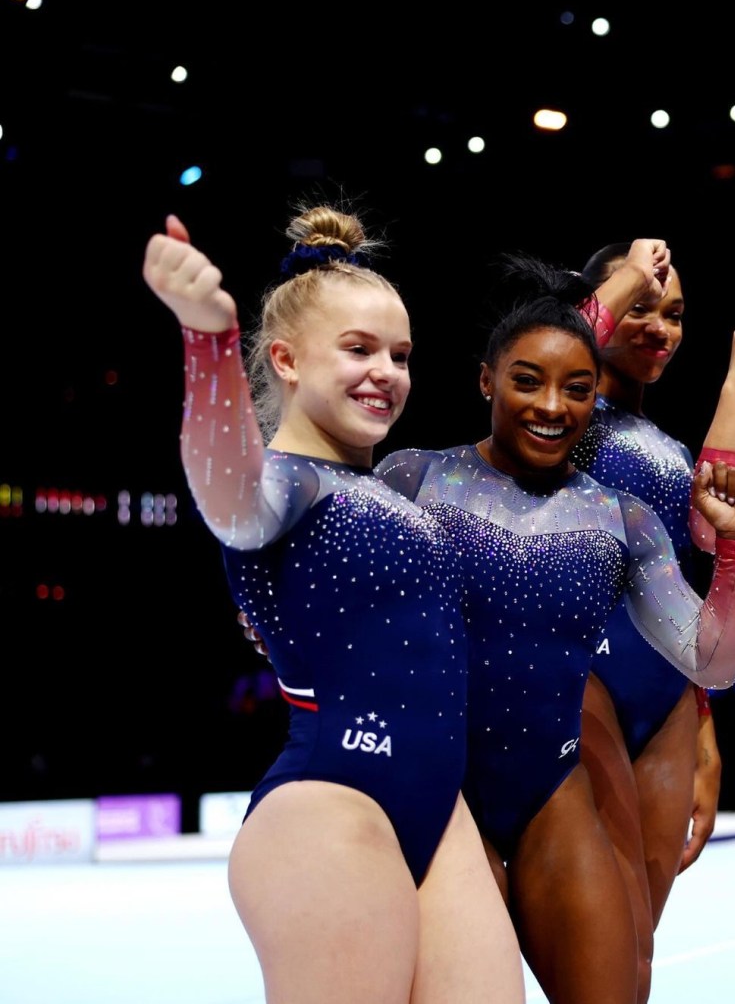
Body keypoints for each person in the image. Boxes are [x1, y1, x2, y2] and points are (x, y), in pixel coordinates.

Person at [141, 205, 526, 1004]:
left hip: (438, 813)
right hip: (329, 808)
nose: (386, 371)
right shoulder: (286, 482)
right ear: (284, 358)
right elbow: (229, 495)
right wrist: (208, 341)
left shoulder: (387, 489)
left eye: (400, 355)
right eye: (358, 349)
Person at [374, 255, 735, 1004]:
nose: (551, 406)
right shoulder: (414, 480)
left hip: (552, 791)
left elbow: (711, 662)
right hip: (442, 793)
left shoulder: (624, 520)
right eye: (527, 381)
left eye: (577, 389)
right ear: (486, 381)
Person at [572, 242, 735, 1002]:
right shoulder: (558, 413)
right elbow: (564, 341)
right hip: (581, 687)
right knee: (594, 957)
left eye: (674, 313)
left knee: (637, 956)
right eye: (639, 306)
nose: (660, 328)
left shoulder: (663, 446)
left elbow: (707, 538)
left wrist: (701, 726)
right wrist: (630, 272)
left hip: (664, 698)